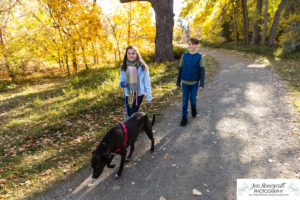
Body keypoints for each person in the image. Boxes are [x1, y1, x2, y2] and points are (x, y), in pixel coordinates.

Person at [176, 38, 205, 127]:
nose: (190, 46)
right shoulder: (184, 56)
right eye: (189, 44)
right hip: (185, 82)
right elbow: (180, 69)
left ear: (196, 45)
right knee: (184, 100)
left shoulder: (199, 56)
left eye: (192, 44)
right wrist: (178, 82)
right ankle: (184, 117)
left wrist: (201, 83)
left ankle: (193, 108)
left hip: (194, 83)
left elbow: (202, 70)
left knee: (193, 98)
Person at [119, 45, 152, 117]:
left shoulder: (143, 66)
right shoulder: (123, 66)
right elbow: (121, 79)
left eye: (133, 53)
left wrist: (149, 97)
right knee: (129, 115)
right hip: (128, 93)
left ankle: (135, 127)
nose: (131, 55)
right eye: (129, 53)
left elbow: (147, 82)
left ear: (137, 54)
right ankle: (135, 127)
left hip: (139, 94)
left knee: (133, 115)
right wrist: (122, 83)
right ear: (126, 55)